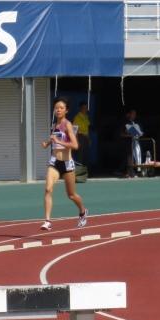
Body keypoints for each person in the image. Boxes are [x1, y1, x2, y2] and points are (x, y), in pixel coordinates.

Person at [41, 97, 88, 231]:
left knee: (71, 195)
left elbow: (75, 145)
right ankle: (47, 221)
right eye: (56, 108)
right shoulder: (54, 125)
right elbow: (55, 138)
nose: (58, 110)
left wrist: (58, 141)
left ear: (66, 110)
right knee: (48, 189)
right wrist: (48, 143)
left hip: (67, 164)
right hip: (54, 162)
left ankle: (83, 211)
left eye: (61, 108)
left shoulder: (68, 125)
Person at [123, 108, 144, 178]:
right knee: (130, 158)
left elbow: (140, 132)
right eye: (133, 114)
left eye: (135, 114)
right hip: (128, 143)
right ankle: (129, 173)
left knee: (138, 156)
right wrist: (129, 135)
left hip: (136, 142)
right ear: (129, 114)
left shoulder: (136, 123)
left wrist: (140, 133)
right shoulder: (125, 123)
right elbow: (120, 134)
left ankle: (138, 171)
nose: (134, 115)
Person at [72, 101, 91, 167]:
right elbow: (74, 130)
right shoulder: (77, 117)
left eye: (86, 108)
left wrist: (88, 139)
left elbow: (87, 129)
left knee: (86, 155)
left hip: (85, 137)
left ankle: (84, 171)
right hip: (80, 137)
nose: (85, 109)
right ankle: (79, 171)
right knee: (80, 155)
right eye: (84, 108)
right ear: (81, 108)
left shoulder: (86, 116)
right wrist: (76, 141)